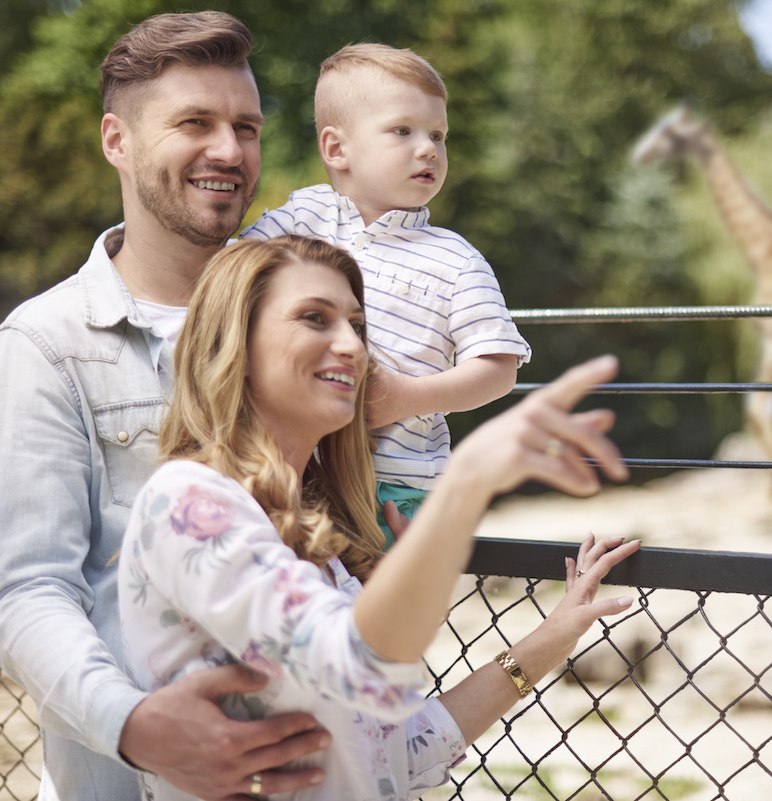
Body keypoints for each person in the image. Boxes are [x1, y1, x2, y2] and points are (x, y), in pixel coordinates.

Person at [117, 234, 640, 801]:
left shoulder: (320, 544)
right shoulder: (190, 502)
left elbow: (396, 751)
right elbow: (355, 666)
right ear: (234, 345)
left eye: (358, 325)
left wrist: (554, 636)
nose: (353, 346)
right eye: (314, 318)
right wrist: (465, 483)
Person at [0, 12, 330, 800]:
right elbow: (27, 592)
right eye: (194, 123)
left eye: (246, 126)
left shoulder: (311, 328)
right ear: (118, 140)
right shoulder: (46, 344)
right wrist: (134, 725)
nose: (229, 150)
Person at [240, 44, 531, 545]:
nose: (429, 149)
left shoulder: (455, 259)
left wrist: (405, 398)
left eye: (438, 135)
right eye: (403, 131)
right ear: (337, 149)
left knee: (378, 594)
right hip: (289, 467)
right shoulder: (301, 218)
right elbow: (228, 279)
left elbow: (499, 369)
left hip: (392, 487)